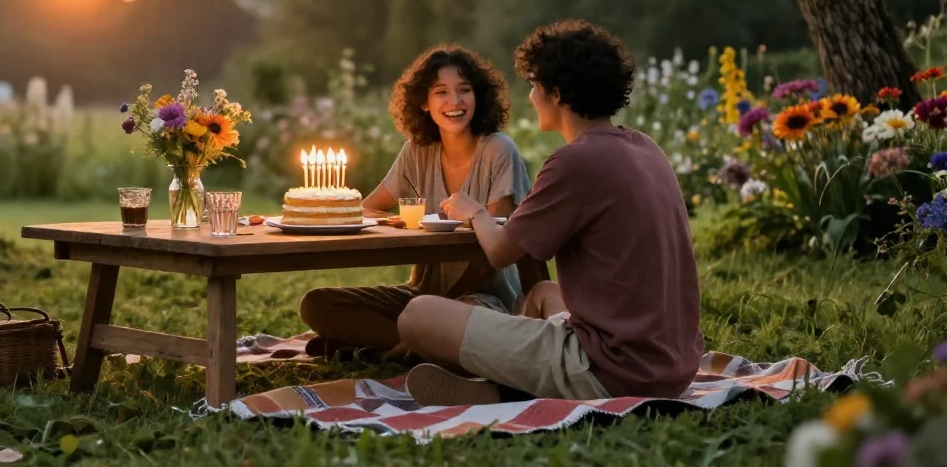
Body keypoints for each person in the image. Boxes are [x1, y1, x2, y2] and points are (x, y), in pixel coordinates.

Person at [396, 21, 703, 405]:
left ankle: (506, 387)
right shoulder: (645, 147)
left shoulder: (575, 162)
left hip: (607, 369)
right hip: (672, 365)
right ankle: (499, 387)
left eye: (534, 85)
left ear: (555, 93)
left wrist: (473, 210)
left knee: (417, 315)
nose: (531, 96)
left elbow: (501, 252)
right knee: (542, 292)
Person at [299, 45, 548, 355]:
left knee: (469, 320)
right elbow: (369, 208)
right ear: (424, 103)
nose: (454, 101)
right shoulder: (417, 152)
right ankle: (413, 347)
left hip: (483, 299)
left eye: (464, 90)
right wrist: (401, 223)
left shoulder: (498, 150)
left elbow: (491, 248)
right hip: (421, 295)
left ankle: (391, 346)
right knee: (317, 304)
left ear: (478, 97)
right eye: (441, 92)